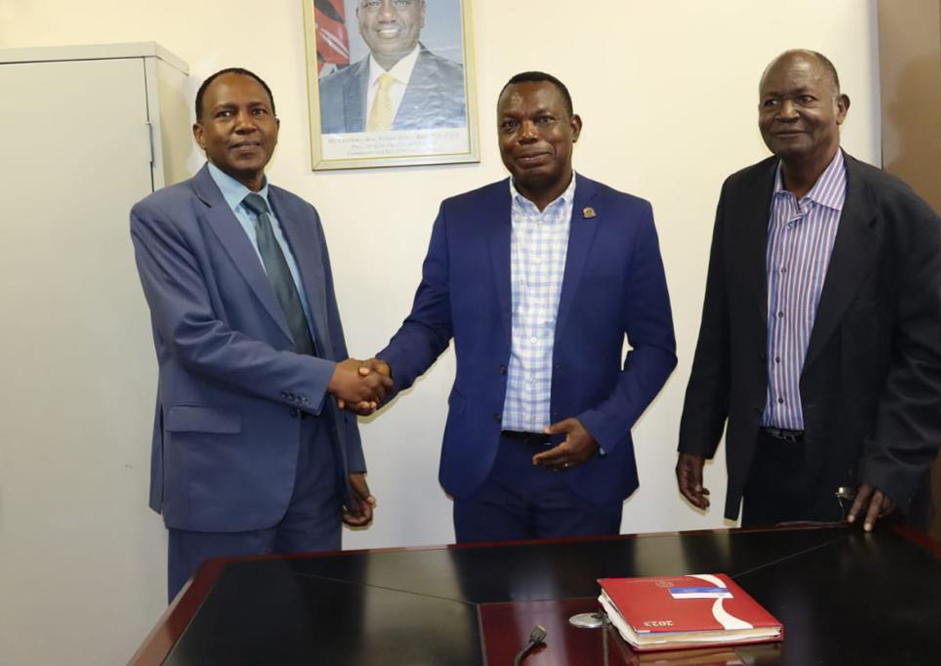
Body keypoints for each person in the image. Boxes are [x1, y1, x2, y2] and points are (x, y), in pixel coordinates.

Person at [357, 71, 676, 542]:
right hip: (487, 467)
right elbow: (429, 323)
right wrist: (383, 372)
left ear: (574, 127)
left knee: (584, 612)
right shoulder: (460, 217)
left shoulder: (627, 219)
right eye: (510, 124)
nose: (526, 134)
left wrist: (601, 426)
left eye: (543, 119)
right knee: (485, 611)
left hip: (583, 462)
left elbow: (655, 347)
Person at [130, 67, 392, 600]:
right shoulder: (164, 217)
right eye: (225, 114)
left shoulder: (301, 215)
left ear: (276, 125)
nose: (244, 125)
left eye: (257, 112)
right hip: (220, 477)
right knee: (221, 639)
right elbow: (195, 338)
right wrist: (329, 379)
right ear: (201, 134)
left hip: (314, 479)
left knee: (321, 635)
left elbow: (329, 342)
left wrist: (350, 463)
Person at [676, 50, 941, 532]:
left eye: (804, 98)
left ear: (840, 107)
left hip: (862, 474)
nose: (786, 113)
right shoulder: (740, 197)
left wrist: (892, 467)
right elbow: (721, 327)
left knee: (859, 608)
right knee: (763, 605)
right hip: (765, 464)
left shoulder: (902, 215)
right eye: (771, 102)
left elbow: (927, 365)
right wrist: (697, 438)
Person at [318, 0, 466, 134]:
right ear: (358, 16)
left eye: (400, 2)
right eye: (373, 4)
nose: (387, 16)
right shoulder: (324, 93)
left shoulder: (464, 86)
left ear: (421, 13)